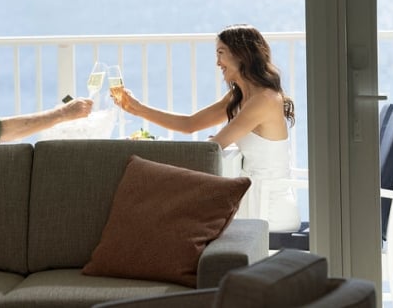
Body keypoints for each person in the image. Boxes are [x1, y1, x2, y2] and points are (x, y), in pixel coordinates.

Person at [112, 23, 300, 232]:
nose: (218, 62)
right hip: (250, 200)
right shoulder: (238, 96)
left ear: (241, 54)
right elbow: (190, 124)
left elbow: (215, 146)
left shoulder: (264, 100)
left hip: (270, 209)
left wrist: (158, 156)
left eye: (221, 53)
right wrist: (138, 109)